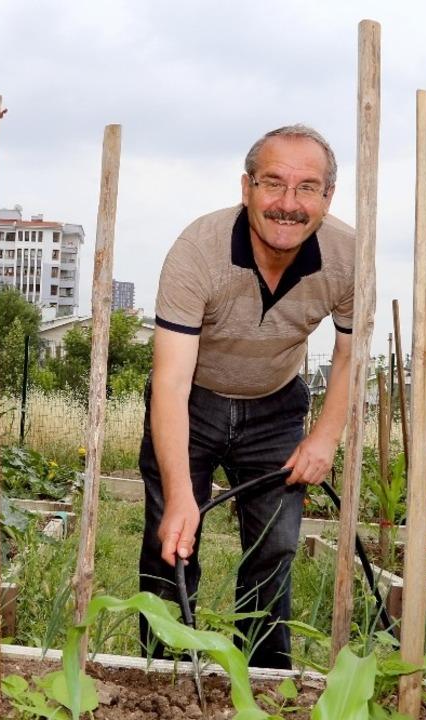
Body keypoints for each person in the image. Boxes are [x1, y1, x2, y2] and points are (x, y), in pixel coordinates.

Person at [138, 124, 354, 669]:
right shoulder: (198, 251)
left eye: (308, 188)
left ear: (328, 197)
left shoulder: (349, 258)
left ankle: (262, 675)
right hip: (193, 402)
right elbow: (169, 381)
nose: (288, 204)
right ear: (246, 187)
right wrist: (181, 492)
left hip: (276, 407)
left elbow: (352, 354)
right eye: (273, 183)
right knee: (172, 541)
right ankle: (158, 671)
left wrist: (325, 438)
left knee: (275, 548)